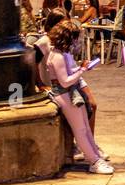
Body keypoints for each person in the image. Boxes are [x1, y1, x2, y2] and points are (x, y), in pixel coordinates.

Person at [43, 22, 112, 174]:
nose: (76, 42)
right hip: (64, 93)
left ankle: (95, 155)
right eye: (74, 38)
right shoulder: (57, 56)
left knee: (85, 127)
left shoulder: (60, 54)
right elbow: (65, 81)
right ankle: (94, 161)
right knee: (80, 129)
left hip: (70, 92)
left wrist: (81, 68)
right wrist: (82, 70)